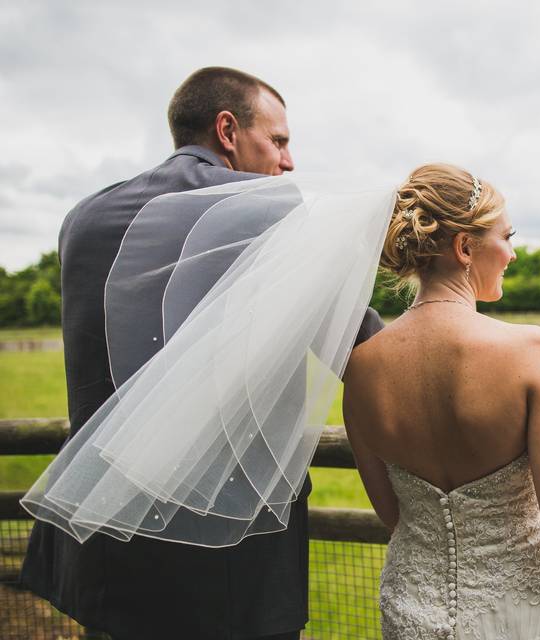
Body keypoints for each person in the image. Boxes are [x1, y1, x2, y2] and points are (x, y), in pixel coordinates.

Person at [19, 66, 383, 640]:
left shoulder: (83, 218)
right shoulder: (267, 211)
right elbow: (364, 347)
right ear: (228, 130)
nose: (288, 163)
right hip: (224, 554)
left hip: (105, 544)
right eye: (279, 140)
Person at [342, 163, 540, 638]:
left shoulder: (361, 368)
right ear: (465, 247)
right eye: (507, 236)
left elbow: (395, 514)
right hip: (521, 620)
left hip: (413, 613)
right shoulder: (534, 352)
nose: (512, 254)